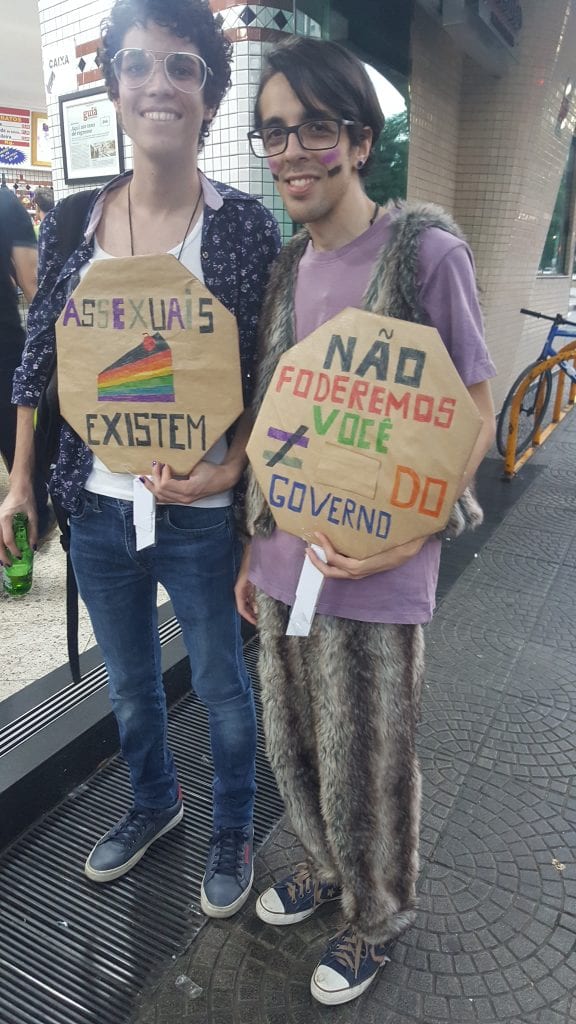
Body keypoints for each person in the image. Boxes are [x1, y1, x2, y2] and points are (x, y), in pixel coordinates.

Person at [0, 0, 280, 918]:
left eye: (181, 66)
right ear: (115, 86)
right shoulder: (79, 217)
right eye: (138, 65)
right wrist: (18, 478)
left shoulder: (243, 227)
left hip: (199, 507)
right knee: (127, 686)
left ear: (207, 89)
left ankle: (232, 826)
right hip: (96, 502)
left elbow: (270, 374)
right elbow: (41, 354)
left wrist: (233, 470)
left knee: (219, 684)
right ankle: (155, 805)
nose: (158, 83)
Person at [235, 37, 496, 1006]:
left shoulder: (422, 248)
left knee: (371, 755)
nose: (293, 150)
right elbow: (279, 416)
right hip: (283, 560)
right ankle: (324, 866)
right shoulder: (287, 266)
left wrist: (414, 529)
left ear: (357, 137)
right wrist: (252, 547)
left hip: (377, 568)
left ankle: (377, 913)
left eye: (313, 127)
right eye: (275, 132)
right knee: (295, 741)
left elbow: (473, 396)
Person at [0, 185, 51, 532]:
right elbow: (34, 286)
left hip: (4, 358)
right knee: (26, 482)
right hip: (3, 355)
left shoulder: (4, 203)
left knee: (25, 479)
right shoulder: (4, 203)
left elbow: (35, 289)